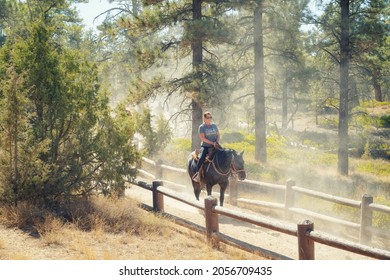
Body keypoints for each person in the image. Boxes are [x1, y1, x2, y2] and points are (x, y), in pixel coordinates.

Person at [192, 111, 220, 183]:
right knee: (201, 158)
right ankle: (198, 174)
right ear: (204, 118)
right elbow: (203, 138)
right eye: (208, 117)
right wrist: (212, 143)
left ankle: (228, 174)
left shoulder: (214, 126)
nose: (209, 119)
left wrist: (217, 142)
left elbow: (218, 135)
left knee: (224, 154)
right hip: (206, 146)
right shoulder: (202, 127)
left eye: (210, 117)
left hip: (215, 145)